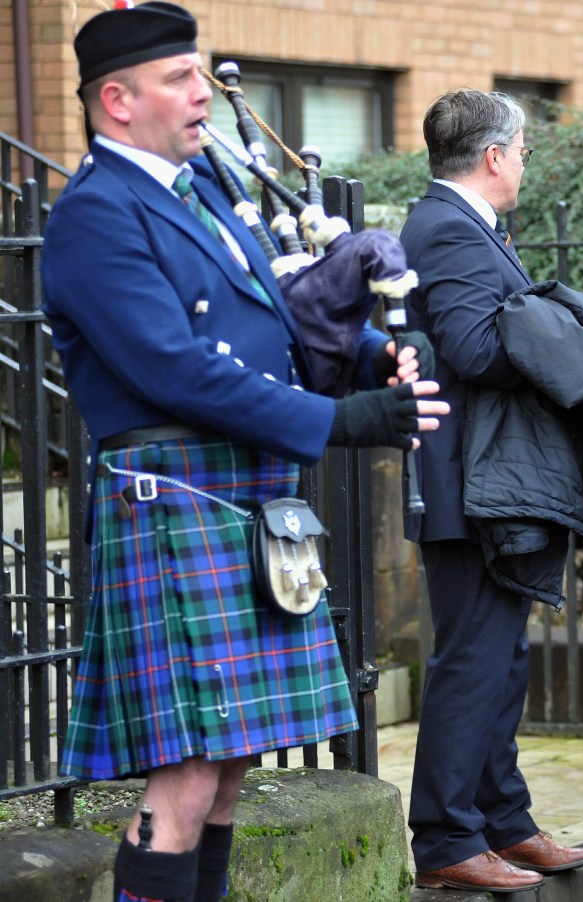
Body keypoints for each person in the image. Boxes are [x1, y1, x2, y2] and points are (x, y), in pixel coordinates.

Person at [42, 4, 448, 901]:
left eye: (201, 73)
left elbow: (281, 324)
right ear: (117, 99)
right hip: (177, 495)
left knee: (228, 768)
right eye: (181, 78)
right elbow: (174, 369)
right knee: (186, 772)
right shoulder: (96, 214)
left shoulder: (204, 192)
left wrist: (368, 358)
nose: (204, 92)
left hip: (246, 491)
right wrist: (337, 421)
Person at [398, 89, 583, 894]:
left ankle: (503, 821)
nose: (523, 163)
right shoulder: (446, 228)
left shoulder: (466, 227)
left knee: (502, 656)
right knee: (474, 658)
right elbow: (476, 350)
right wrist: (560, 332)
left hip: (489, 481)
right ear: (493, 156)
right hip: (464, 485)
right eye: (520, 151)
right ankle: (446, 835)